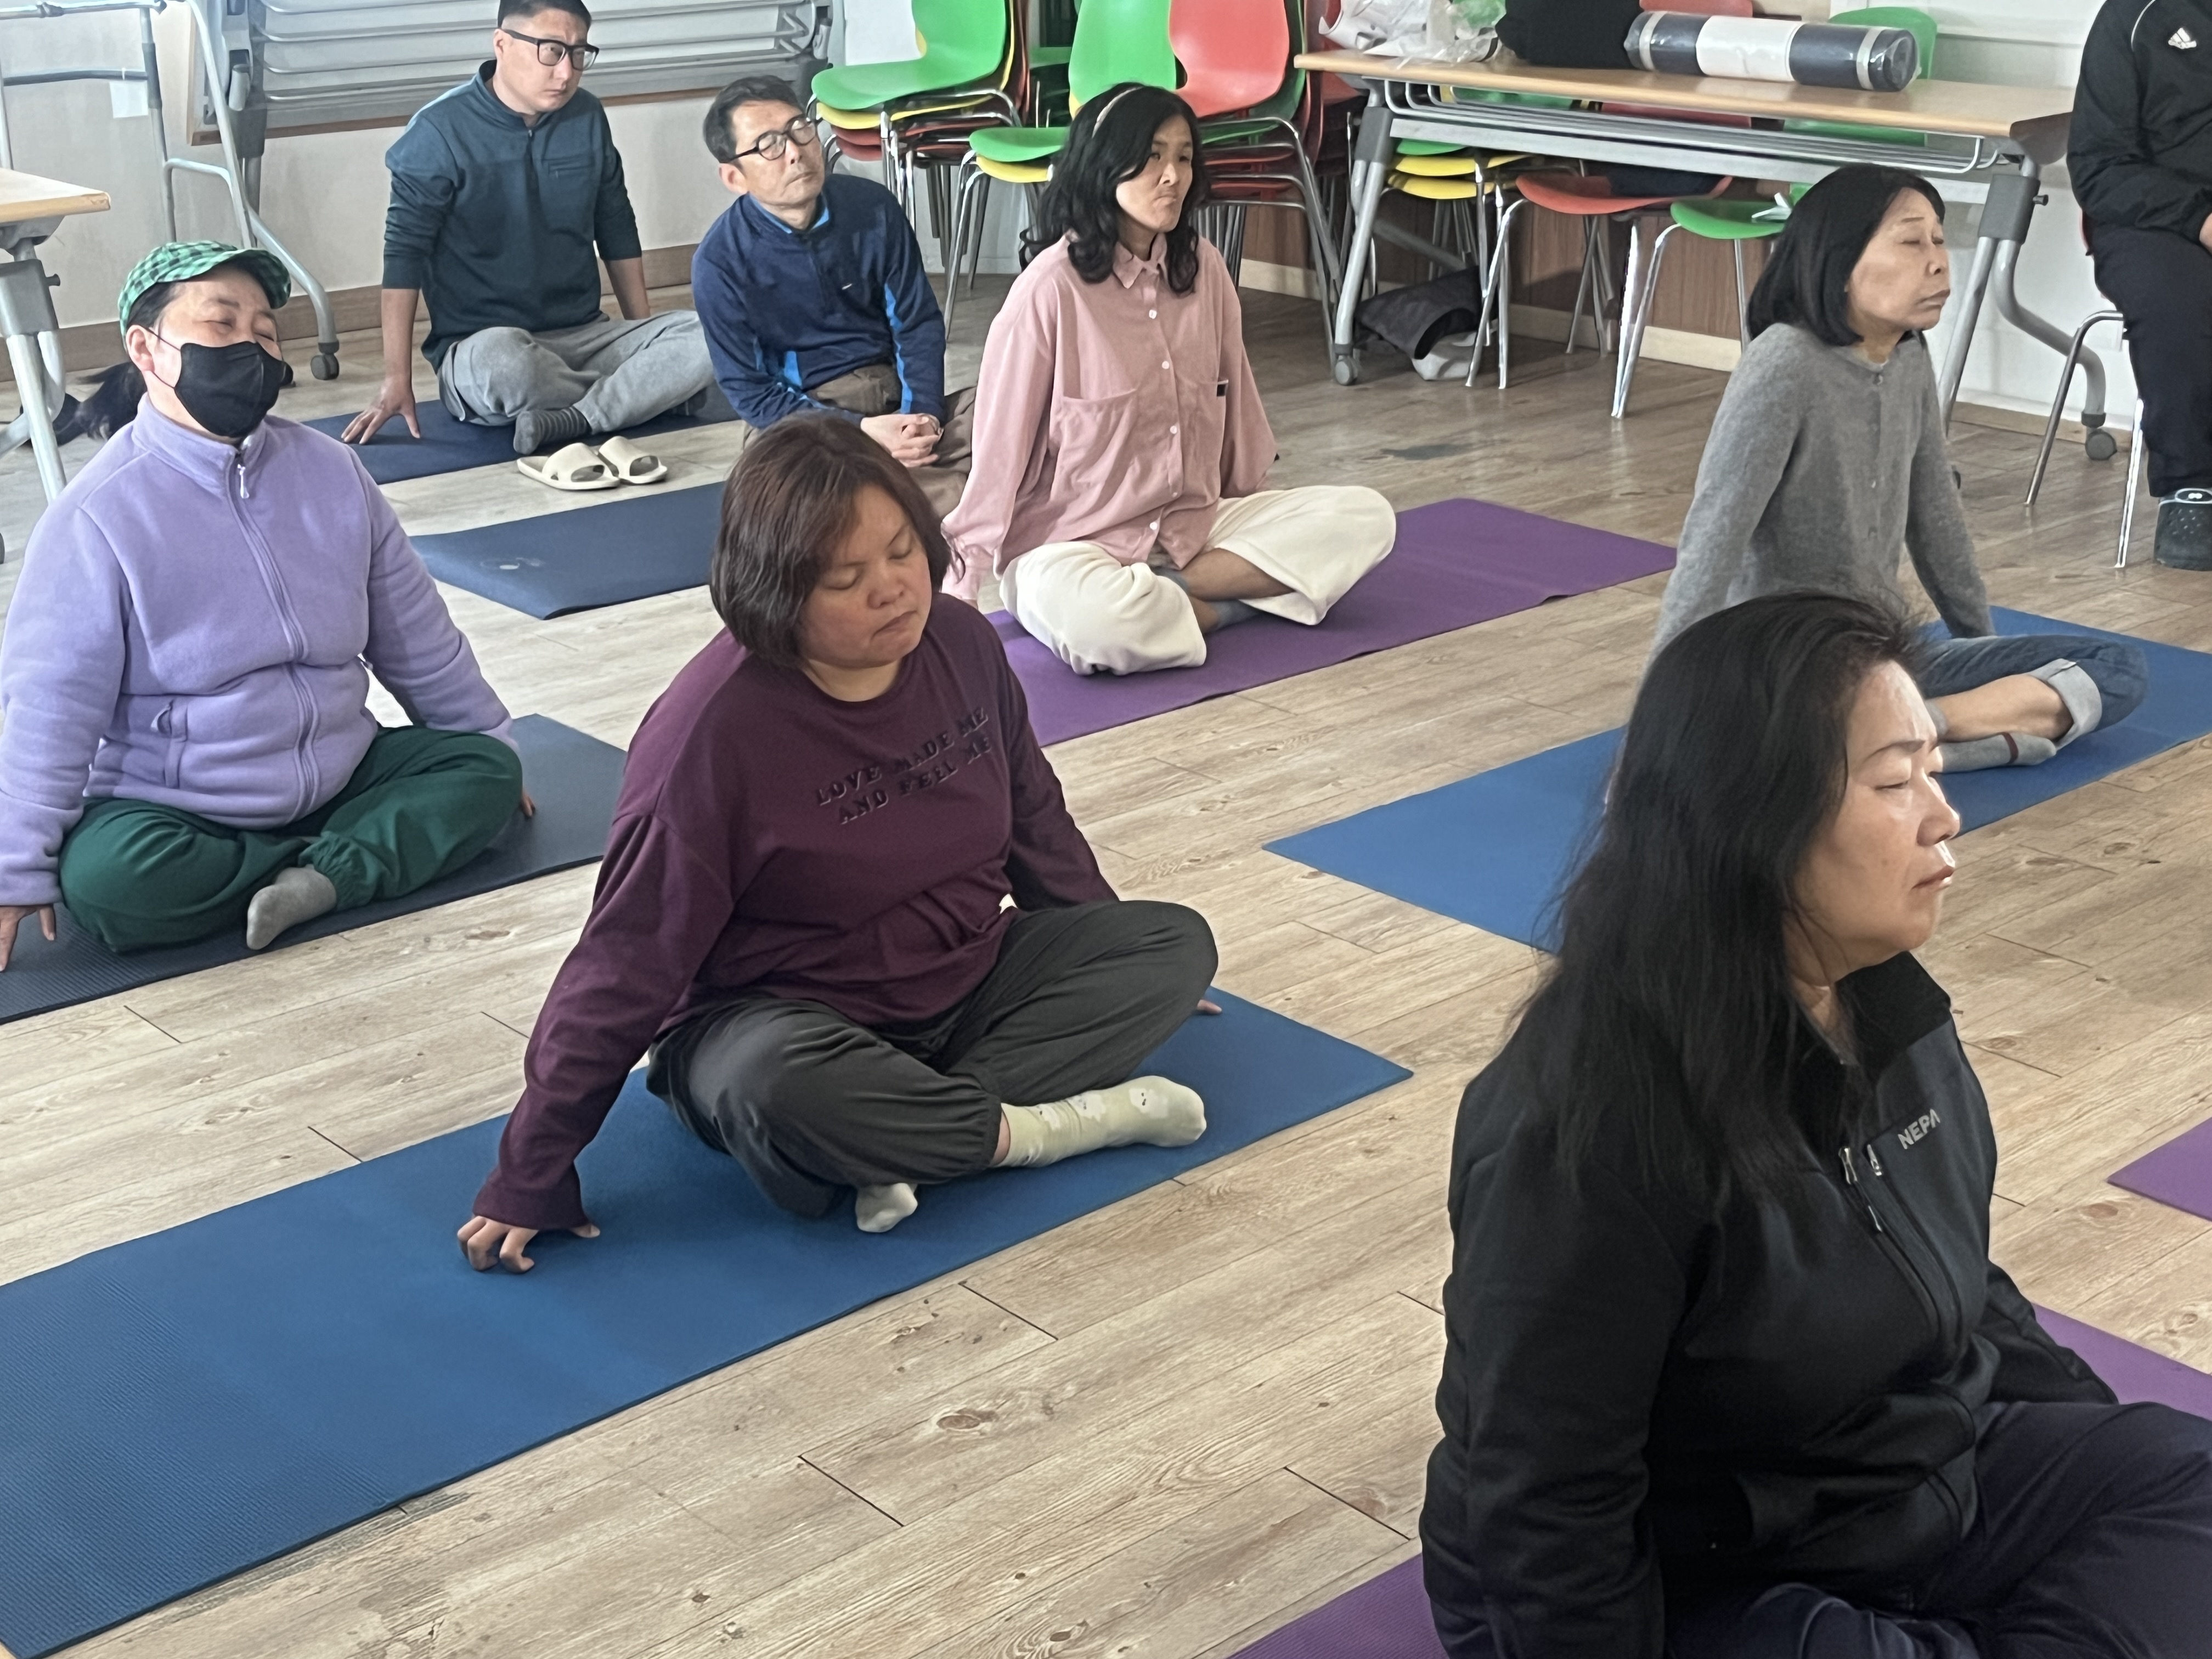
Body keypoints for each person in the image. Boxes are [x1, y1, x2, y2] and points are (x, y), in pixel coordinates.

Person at [1423, 591, 2212, 1657]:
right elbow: (1547, 1498)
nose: (1943, 817)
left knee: (2190, 1476)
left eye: (1935, 770)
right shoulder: (1584, 1128)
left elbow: (1963, 1284)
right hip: (1700, 1568)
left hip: (1893, 1491)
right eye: (1894, 782)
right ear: (1752, 818)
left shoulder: (1889, 1005)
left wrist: (2085, 1438)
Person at [457, 414, 1217, 1267]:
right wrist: (531, 1169)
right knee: (773, 1088)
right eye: (846, 578)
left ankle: (905, 1141)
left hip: (964, 979)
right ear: (776, 593)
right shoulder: (710, 739)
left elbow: (1035, 816)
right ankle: (1047, 1129)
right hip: (781, 1023)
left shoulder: (964, 644)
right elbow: (624, 962)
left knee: (1174, 946)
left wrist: (1104, 957)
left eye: (901, 552)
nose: (892, 589)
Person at [0, 242, 523, 965]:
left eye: (266, 333)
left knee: (487, 771)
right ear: (146, 350)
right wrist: (15, 866)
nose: (250, 347)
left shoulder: (333, 471)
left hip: (345, 773)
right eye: (221, 324)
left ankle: (315, 881)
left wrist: (488, 740)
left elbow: (420, 638)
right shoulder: (96, 517)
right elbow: (48, 708)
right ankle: (343, 862)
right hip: (182, 808)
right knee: (107, 883)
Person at [1655, 166, 2149, 774]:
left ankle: (1903, 739)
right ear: (1840, 260)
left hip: (1884, 656)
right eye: (1912, 241)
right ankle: (1917, 740)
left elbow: (1936, 516)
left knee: (2119, 670)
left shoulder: (1908, 353)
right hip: (1790, 665)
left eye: (1939, 241)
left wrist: (1981, 649)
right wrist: (1658, 725)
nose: (1939, 262)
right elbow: (1713, 540)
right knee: (2039, 699)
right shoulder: (1784, 362)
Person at [942, 83, 1396, 677]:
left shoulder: (1205, 269)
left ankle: (1178, 595)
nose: (1172, 176)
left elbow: (1237, 406)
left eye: (1184, 157)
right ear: (1105, 164)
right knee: (1099, 624)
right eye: (1152, 156)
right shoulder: (1048, 292)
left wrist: (1265, 519)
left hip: (1191, 530)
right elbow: (998, 455)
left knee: (1368, 517)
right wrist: (962, 588)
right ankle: (1230, 605)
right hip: (1072, 546)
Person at [343, 0, 715, 464]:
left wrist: (641, 335)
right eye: (551, 51)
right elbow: (404, 257)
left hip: (585, 336)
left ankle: (576, 418)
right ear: (502, 44)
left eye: (578, 53)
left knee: (708, 335)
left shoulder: (587, 116)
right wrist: (396, 379)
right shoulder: (437, 131)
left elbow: (616, 225)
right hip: (485, 346)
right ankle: (638, 396)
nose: (567, 72)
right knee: (507, 367)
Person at [692, 75, 974, 516]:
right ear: (734, 177)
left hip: (893, 395)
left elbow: (917, 325)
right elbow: (751, 392)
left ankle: (897, 501)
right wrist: (862, 431)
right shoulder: (720, 262)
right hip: (806, 420)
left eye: (799, 129)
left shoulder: (873, 208)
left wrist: (922, 418)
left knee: (1009, 407)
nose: (794, 151)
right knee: (780, 482)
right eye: (768, 145)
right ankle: (958, 499)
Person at [2072, 0, 2212, 569]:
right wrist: (2201, 220)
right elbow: (2098, 166)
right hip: (2149, 217)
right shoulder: (2132, 16)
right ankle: (2192, 488)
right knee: (2178, 303)